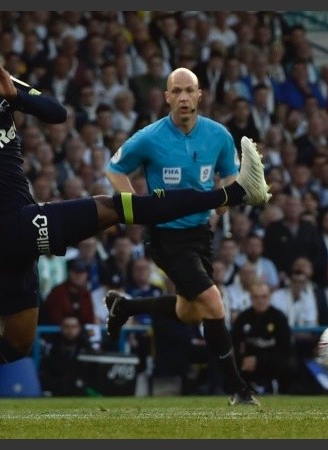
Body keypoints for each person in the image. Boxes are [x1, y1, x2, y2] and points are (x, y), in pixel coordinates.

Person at [0, 49, 270, 395]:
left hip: (11, 231)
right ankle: (236, 194)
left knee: (16, 343)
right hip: (6, 227)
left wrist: (15, 96)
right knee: (117, 207)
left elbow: (57, 113)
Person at [104, 66, 266, 406]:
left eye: (188, 91)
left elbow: (227, 180)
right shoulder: (150, 137)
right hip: (166, 237)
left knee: (190, 312)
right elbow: (114, 169)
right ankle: (238, 388)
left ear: (199, 95)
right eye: (176, 91)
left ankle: (126, 306)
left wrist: (230, 200)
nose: (183, 98)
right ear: (166, 98)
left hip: (200, 235)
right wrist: (136, 208)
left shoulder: (219, 135)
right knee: (213, 303)